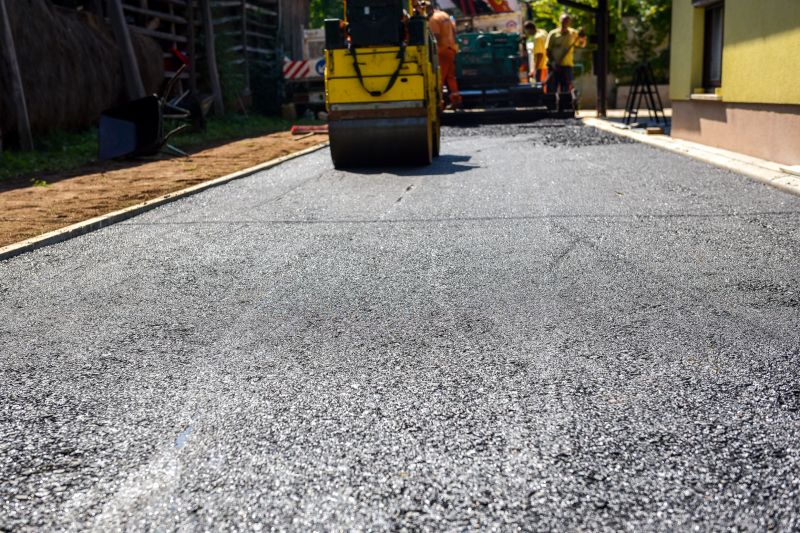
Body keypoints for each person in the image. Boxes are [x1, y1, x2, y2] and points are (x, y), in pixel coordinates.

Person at [426, 2, 462, 108]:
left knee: (439, 78)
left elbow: (435, 37)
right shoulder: (445, 15)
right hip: (451, 49)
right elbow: (454, 31)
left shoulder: (433, 20)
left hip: (441, 52)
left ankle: (439, 103)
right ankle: (456, 100)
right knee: (451, 77)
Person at [545, 13, 586, 93]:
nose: (565, 23)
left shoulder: (573, 33)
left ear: (569, 22)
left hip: (567, 67)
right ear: (560, 21)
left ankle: (565, 104)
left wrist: (583, 37)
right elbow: (548, 50)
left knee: (566, 89)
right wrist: (553, 62)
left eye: (567, 21)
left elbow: (582, 44)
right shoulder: (553, 34)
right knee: (551, 88)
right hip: (554, 66)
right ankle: (552, 104)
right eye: (563, 21)